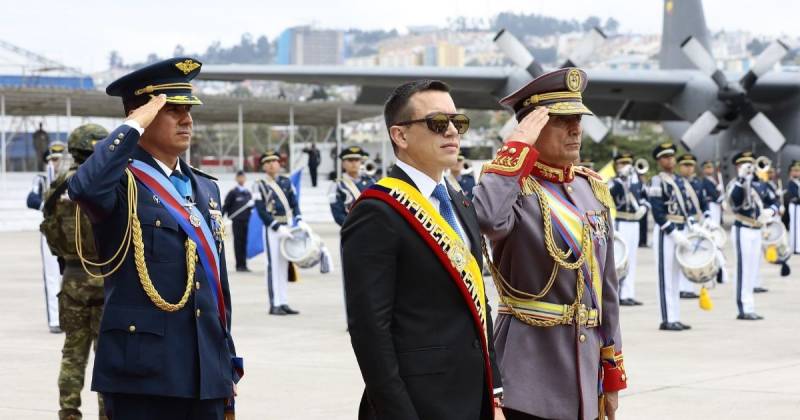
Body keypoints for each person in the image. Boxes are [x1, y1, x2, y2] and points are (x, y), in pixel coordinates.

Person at [68, 57, 242, 420]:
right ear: (143, 114)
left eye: (189, 109)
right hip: (144, 375)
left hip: (204, 372)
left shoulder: (205, 188)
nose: (187, 120)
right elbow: (83, 187)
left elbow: (216, 287)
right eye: (173, 110)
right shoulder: (120, 182)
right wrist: (132, 126)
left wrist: (225, 360)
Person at [342, 79, 503, 420]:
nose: (452, 133)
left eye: (457, 123)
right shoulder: (377, 211)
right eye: (437, 123)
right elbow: (371, 331)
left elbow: (479, 302)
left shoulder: (459, 201)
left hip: (473, 396)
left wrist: (496, 393)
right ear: (399, 135)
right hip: (417, 403)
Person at [474, 68, 626, 420]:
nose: (576, 128)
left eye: (578, 119)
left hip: (585, 375)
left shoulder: (592, 190)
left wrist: (612, 371)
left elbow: (607, 294)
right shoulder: (514, 187)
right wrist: (515, 150)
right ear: (533, 127)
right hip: (528, 377)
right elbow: (487, 219)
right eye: (561, 120)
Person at [41, 124, 109, 420]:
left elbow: (51, 233)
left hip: (72, 279)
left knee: (72, 355)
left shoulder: (57, 188)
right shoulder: (110, 181)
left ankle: (69, 413)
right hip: (109, 280)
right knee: (108, 358)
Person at [648, 143, 696, 331]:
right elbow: (658, 211)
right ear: (659, 161)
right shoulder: (656, 181)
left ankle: (675, 316)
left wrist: (692, 226)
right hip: (666, 233)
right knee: (666, 277)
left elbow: (687, 208)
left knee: (676, 277)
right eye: (665, 157)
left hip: (681, 229)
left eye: (672, 156)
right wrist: (673, 232)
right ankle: (667, 318)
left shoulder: (680, 181)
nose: (670, 160)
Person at [727, 151, 779, 320]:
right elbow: (734, 202)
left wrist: (770, 211)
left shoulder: (760, 183)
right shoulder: (735, 184)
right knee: (743, 269)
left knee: (752, 269)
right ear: (737, 167)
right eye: (744, 164)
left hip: (757, 230)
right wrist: (742, 179)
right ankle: (743, 307)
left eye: (750, 163)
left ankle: (750, 305)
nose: (748, 167)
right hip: (742, 228)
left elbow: (774, 201)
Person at [253, 150, 305, 315]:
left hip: (288, 227)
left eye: (274, 161)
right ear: (263, 166)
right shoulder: (259, 184)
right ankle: (274, 303)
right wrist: (276, 227)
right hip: (273, 228)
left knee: (284, 266)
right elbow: (261, 210)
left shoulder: (286, 182)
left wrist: (299, 219)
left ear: (279, 164)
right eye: (267, 162)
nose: (271, 164)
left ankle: (284, 302)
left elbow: (294, 203)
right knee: (273, 266)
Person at [27, 141, 66, 333]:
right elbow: (31, 199)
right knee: (52, 276)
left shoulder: (71, 177)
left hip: (71, 230)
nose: (55, 163)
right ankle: (55, 320)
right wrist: (47, 205)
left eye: (58, 159)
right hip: (51, 230)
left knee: (71, 274)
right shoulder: (42, 179)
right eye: (52, 160)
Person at [609, 152, 648, 306]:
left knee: (632, 259)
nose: (625, 166)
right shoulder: (615, 182)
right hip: (622, 221)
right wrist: (621, 178)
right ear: (616, 165)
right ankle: (617, 294)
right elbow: (605, 192)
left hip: (635, 223)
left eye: (628, 163)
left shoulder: (637, 182)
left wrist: (644, 208)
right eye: (621, 163)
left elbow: (646, 198)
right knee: (620, 259)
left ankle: (628, 293)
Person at [675, 153, 709, 299]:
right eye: (685, 165)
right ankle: (681, 288)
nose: (689, 168)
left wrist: (707, 216)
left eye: (691, 165)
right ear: (680, 166)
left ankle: (689, 287)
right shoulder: (676, 182)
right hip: (682, 223)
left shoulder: (698, 183)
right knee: (682, 255)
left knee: (692, 255)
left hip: (695, 224)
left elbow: (703, 202)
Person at [328, 146, 376, 226]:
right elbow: (338, 214)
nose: (354, 163)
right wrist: (354, 227)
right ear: (343, 164)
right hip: (351, 231)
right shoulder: (337, 185)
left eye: (357, 160)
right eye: (350, 160)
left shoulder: (372, 181)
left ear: (361, 162)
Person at [223, 170, 253, 272]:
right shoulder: (233, 193)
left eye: (243, 177)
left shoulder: (248, 193)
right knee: (238, 243)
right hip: (237, 221)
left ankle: (244, 264)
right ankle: (239, 265)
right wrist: (220, 219)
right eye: (239, 177)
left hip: (247, 221)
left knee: (245, 243)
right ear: (236, 179)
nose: (241, 179)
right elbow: (226, 206)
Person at [700, 161, 724, 226]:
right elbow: (712, 193)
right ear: (704, 170)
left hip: (716, 206)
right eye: (707, 167)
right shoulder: (705, 181)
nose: (710, 169)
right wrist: (718, 194)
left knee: (717, 224)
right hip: (711, 205)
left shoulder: (713, 180)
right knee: (712, 225)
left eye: (711, 167)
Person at [787, 160, 800, 254]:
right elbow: (794, 195)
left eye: (798, 170)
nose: (797, 172)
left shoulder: (798, 182)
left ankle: (797, 246)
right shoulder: (791, 183)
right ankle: (794, 248)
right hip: (795, 205)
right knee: (794, 226)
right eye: (794, 170)